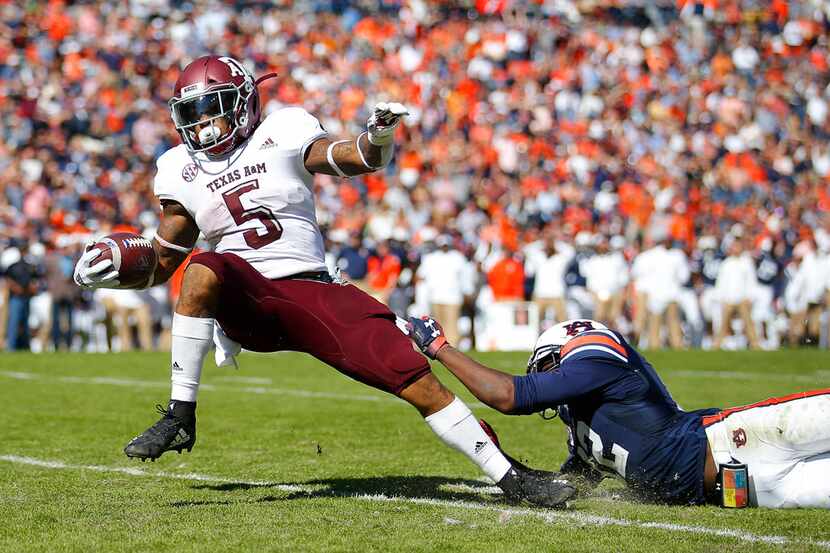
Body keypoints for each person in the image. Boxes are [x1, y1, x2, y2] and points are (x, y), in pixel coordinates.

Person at [72, 55, 572, 508]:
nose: (202, 123)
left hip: (311, 290)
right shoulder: (181, 170)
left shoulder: (283, 131)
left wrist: (377, 136)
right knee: (206, 266)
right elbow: (163, 264)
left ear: (244, 101)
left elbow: (354, 158)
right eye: (193, 113)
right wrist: (111, 270)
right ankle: (181, 416)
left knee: (413, 377)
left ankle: (511, 477)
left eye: (213, 107)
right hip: (250, 300)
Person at [406, 316, 830, 508]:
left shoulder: (598, 360)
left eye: (547, 366)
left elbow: (509, 396)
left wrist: (440, 349)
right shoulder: (582, 432)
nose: (548, 379)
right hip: (744, 492)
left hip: (740, 439)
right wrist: (514, 474)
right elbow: (569, 485)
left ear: (566, 350)